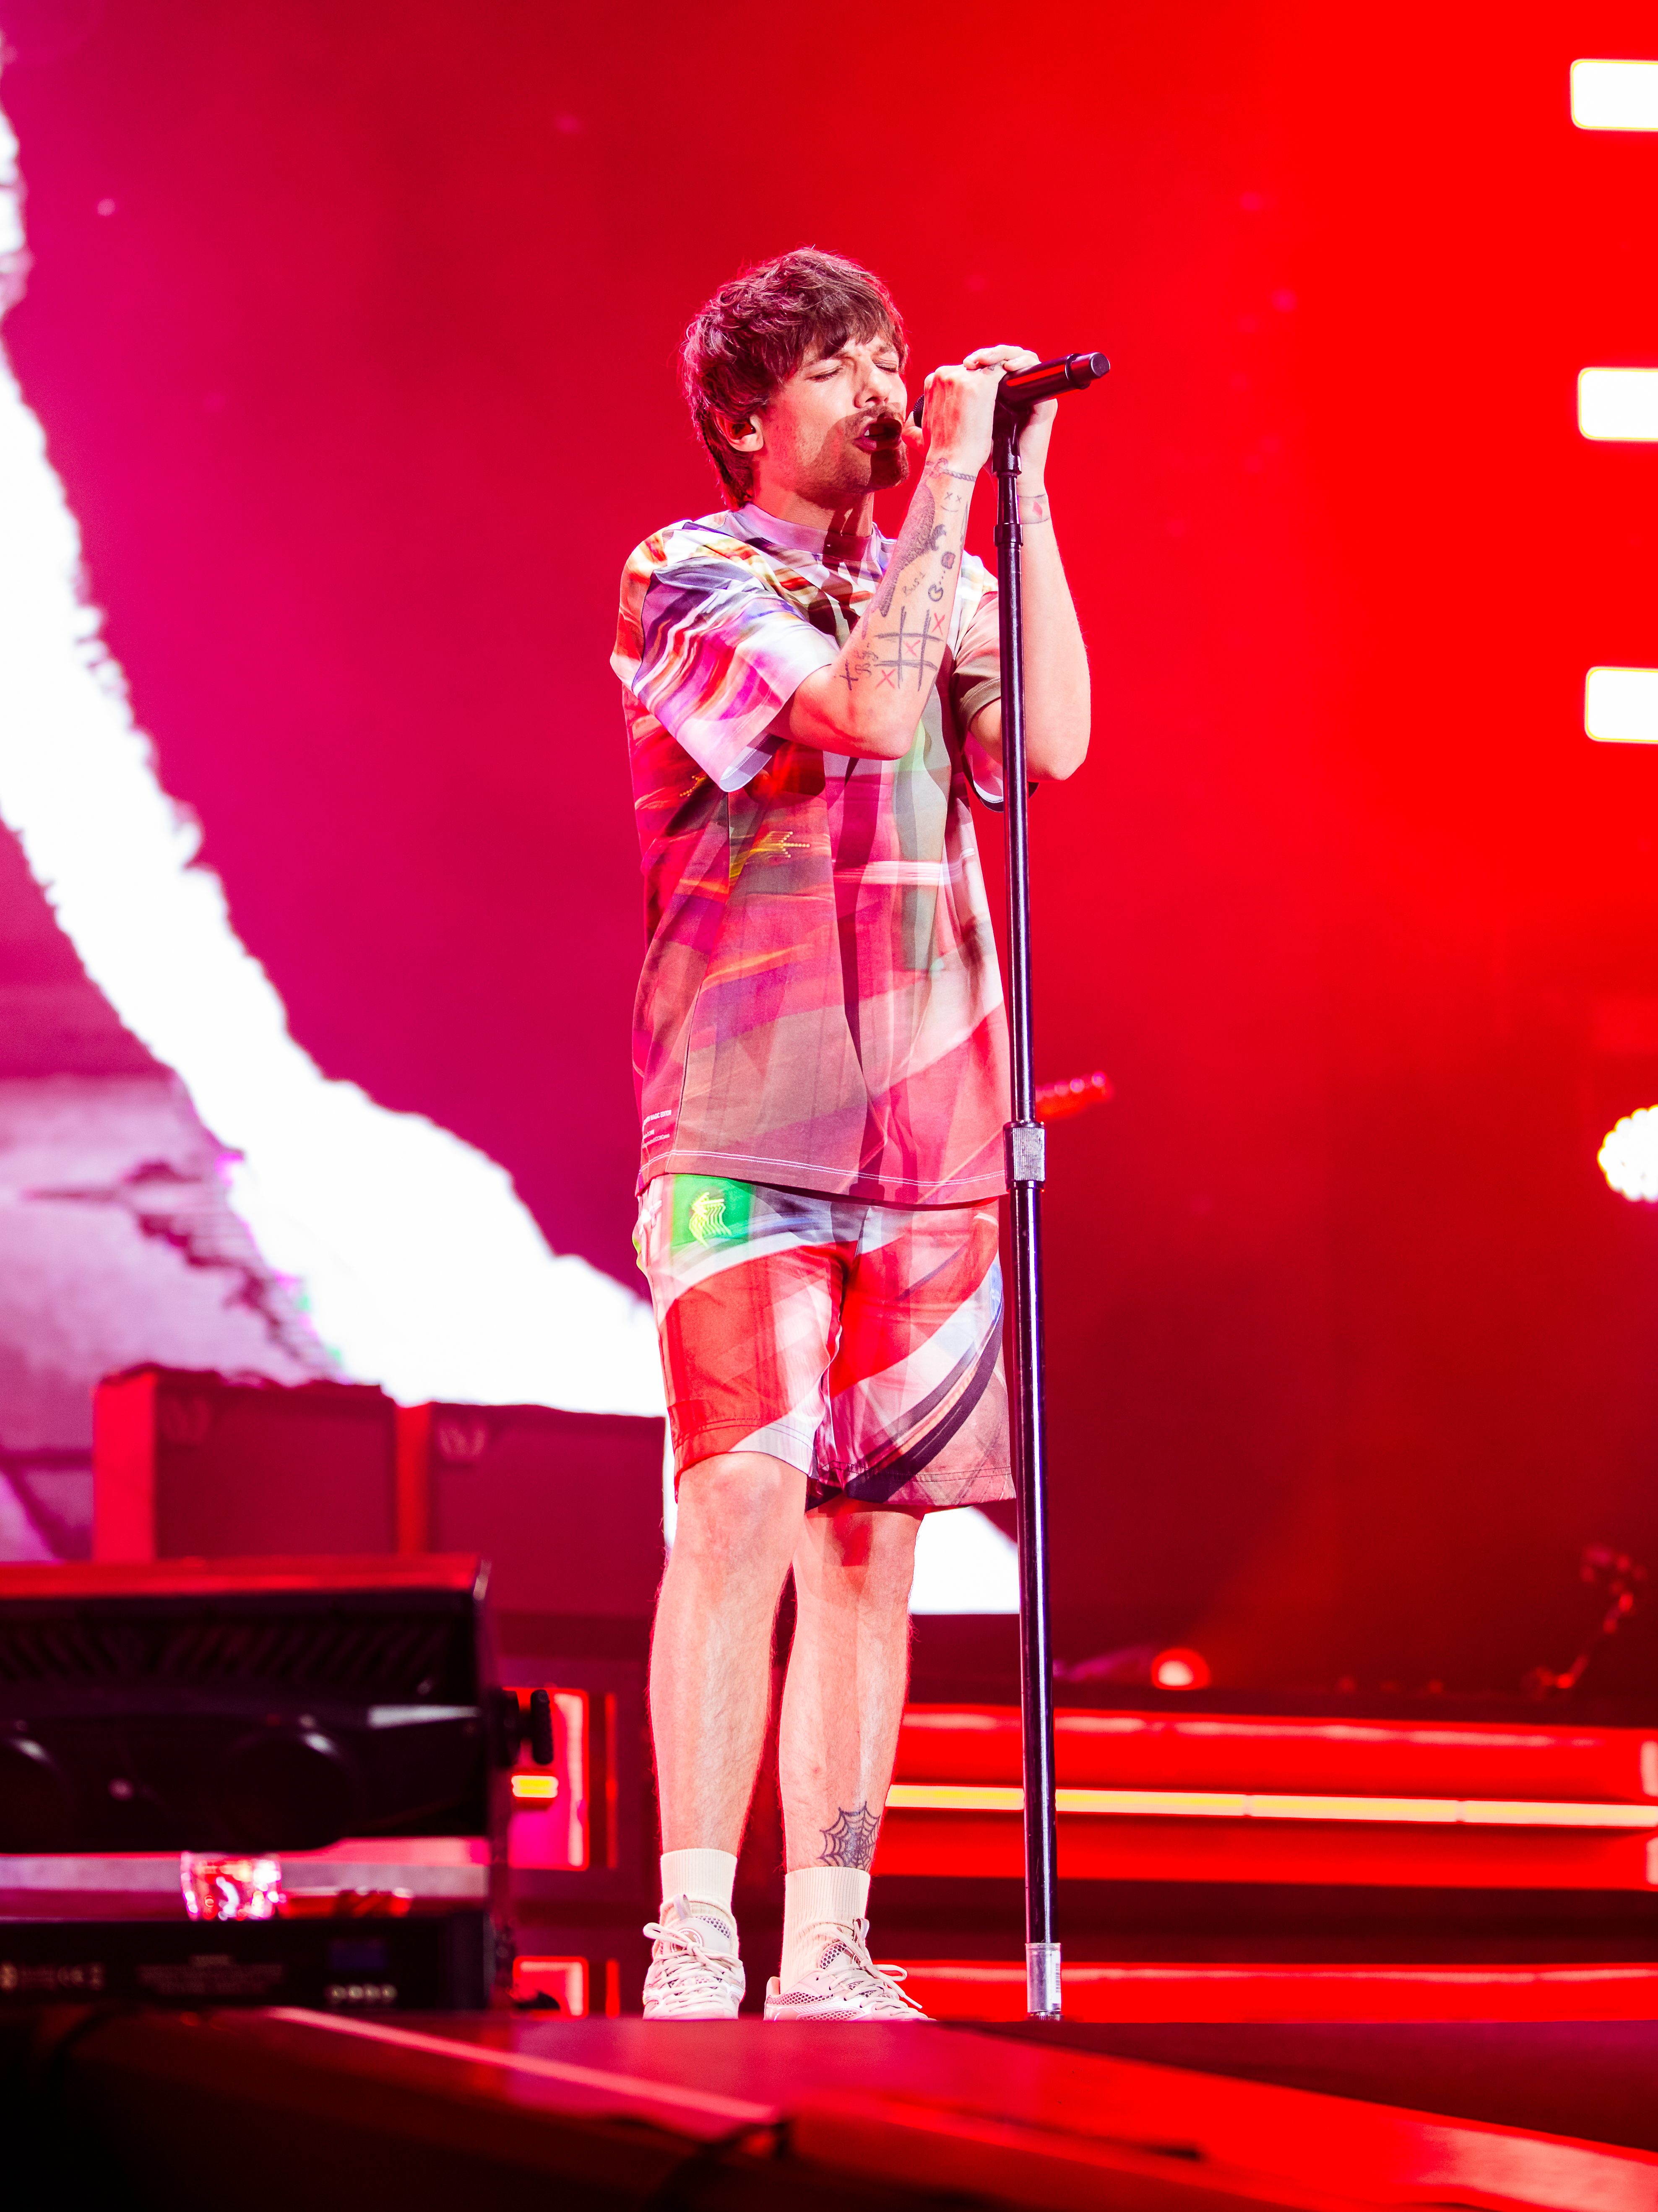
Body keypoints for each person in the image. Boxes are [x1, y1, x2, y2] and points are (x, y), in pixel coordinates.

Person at [611, 247, 1089, 2020]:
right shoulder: (687, 571)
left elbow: (1043, 742)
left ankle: (827, 1941)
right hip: (743, 1110)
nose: (883, 390)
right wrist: (952, 479)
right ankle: (687, 1940)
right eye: (837, 367)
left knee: (869, 1532)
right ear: (746, 415)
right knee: (738, 1493)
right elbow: (862, 712)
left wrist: (1014, 494)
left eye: (890, 356)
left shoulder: (932, 568)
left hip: (933, 1122)